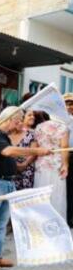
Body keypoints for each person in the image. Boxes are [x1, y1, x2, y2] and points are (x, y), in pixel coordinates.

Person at [0, 107, 51, 270]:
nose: (20, 123)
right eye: (18, 119)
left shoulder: (3, 136)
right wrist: (36, 151)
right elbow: (8, 151)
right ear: (10, 119)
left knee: (0, 224)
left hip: (6, 182)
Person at [34, 116, 69, 219]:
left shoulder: (39, 127)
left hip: (41, 163)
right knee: (57, 193)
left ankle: (39, 221)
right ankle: (56, 222)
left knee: (40, 192)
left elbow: (35, 147)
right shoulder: (63, 127)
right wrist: (65, 164)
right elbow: (64, 146)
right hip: (57, 163)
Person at [10, 111, 37, 191]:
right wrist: (14, 164)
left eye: (21, 121)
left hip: (27, 170)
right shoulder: (7, 135)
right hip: (11, 170)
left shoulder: (31, 134)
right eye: (18, 121)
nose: (20, 123)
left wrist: (24, 164)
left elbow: (34, 151)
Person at [64, 93, 73, 226]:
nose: (70, 106)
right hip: (62, 156)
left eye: (72, 104)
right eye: (67, 103)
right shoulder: (57, 119)